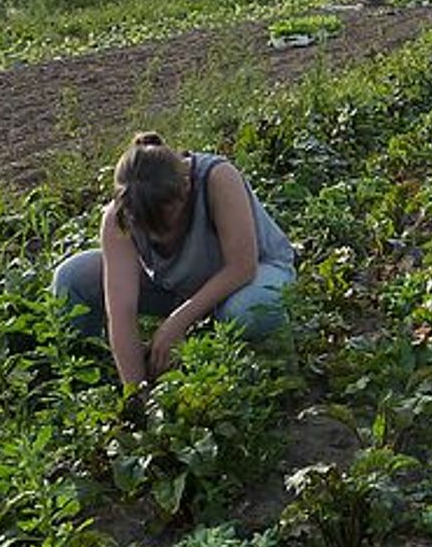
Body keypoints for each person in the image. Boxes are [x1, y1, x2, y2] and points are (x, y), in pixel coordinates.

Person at [51, 133, 296, 390]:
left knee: (249, 310)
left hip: (251, 277)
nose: (161, 237)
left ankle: (276, 375)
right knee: (73, 278)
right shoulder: (121, 216)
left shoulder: (217, 177)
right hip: (178, 287)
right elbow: (121, 313)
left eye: (167, 223)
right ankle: (87, 378)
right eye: (148, 228)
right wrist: (136, 393)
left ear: (186, 188)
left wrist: (177, 322)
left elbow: (242, 267)